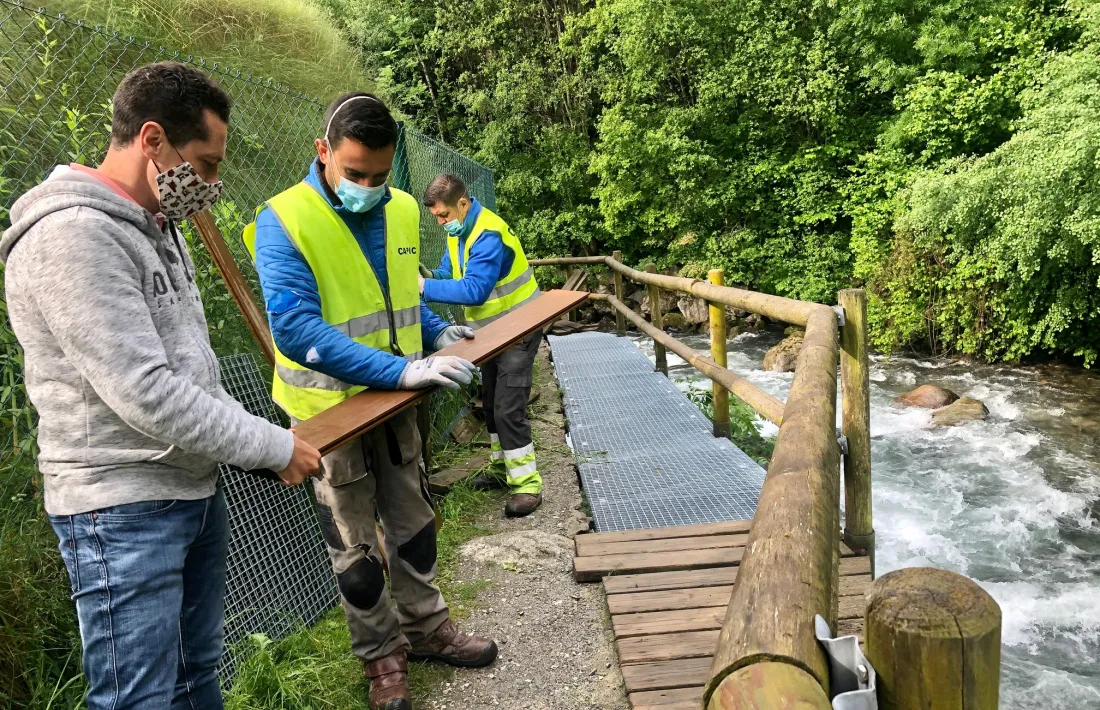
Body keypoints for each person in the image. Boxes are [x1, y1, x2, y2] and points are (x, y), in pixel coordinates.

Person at [0, 62, 323, 710]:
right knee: (139, 696)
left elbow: (192, 372)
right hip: (121, 508)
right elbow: (146, 390)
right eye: (204, 164)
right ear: (152, 140)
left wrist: (263, 444)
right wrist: (272, 446)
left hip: (189, 489)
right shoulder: (73, 235)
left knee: (195, 676)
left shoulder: (158, 226)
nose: (211, 184)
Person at [244, 92, 497, 710]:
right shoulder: (284, 219)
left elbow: (399, 296)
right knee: (354, 549)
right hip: (329, 413)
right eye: (355, 173)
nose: (368, 187)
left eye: (380, 175)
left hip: (397, 400)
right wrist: (402, 371)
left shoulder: (403, 208)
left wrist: (436, 333)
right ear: (323, 151)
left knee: (414, 525)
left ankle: (428, 628)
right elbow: (296, 330)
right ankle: (382, 659)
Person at [420, 174, 543, 517]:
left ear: (462, 203)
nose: (441, 222)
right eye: (436, 217)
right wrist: (430, 277)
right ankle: (502, 468)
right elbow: (449, 272)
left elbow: (474, 290)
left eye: (443, 215)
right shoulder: (460, 231)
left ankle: (527, 484)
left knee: (507, 407)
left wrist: (422, 288)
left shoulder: (488, 234)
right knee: (489, 402)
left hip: (519, 328)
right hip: (492, 333)